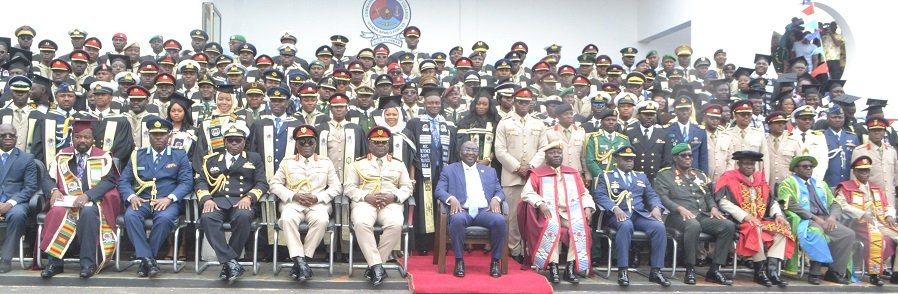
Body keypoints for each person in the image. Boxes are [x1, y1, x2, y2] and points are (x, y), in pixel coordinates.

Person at [39, 120, 120, 279]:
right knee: (56, 212)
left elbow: (109, 181)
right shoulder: (62, 155)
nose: (82, 140)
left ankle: (87, 264)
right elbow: (48, 179)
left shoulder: (103, 157)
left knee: (88, 213)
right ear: (73, 138)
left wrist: (88, 195)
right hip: (66, 201)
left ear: (92, 139)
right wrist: (53, 190)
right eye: (78, 137)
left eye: (86, 137)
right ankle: (54, 263)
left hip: (93, 201)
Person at [118, 118, 193, 277]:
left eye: (162, 134)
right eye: (155, 135)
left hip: (167, 202)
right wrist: (132, 197)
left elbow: (186, 182)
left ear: (169, 136)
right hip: (143, 200)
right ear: (149, 136)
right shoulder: (138, 155)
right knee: (131, 216)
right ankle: (148, 260)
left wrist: (170, 198)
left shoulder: (179, 155)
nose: (159, 137)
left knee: (165, 219)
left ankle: (146, 261)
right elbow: (124, 181)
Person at [195, 122, 268, 281]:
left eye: (238, 140)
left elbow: (262, 183)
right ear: (224, 142)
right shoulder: (211, 159)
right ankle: (231, 262)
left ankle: (228, 263)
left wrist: (249, 197)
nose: (234, 143)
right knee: (207, 218)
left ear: (244, 142)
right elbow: (201, 182)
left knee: (243, 216)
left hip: (242, 200)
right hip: (217, 201)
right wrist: (206, 199)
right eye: (230, 140)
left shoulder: (253, 158)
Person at [270, 125, 342, 282]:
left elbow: (337, 187)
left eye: (310, 142)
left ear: (316, 143)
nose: (307, 146)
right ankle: (301, 261)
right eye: (302, 143)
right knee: (286, 219)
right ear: (296, 145)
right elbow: (274, 184)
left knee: (322, 220)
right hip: (293, 204)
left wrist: (318, 197)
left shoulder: (325, 162)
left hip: (318, 204)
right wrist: (293, 195)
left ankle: (301, 260)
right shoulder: (287, 162)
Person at [654, 143, 734, 285]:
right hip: (677, 216)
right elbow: (663, 198)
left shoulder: (699, 174)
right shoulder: (665, 175)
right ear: (675, 158)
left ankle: (714, 270)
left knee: (727, 226)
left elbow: (708, 195)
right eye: (683, 155)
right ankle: (690, 268)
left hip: (701, 214)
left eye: (690, 155)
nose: (688, 158)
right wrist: (679, 208)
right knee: (693, 225)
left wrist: (713, 208)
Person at [344, 126, 414, 286]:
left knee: (395, 224)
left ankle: (375, 266)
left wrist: (394, 196)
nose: (380, 145)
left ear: (388, 145)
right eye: (376, 143)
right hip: (365, 202)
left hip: (390, 204)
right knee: (361, 224)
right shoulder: (358, 164)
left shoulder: (398, 164)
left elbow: (407, 187)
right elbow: (348, 187)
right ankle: (377, 266)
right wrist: (366, 196)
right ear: (369, 144)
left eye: (384, 143)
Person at [714, 151, 794, 287]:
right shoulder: (728, 177)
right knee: (754, 228)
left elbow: (771, 201)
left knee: (782, 229)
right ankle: (759, 271)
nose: (749, 167)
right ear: (738, 164)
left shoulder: (759, 179)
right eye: (745, 164)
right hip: (739, 221)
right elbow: (723, 202)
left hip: (760, 219)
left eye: (752, 164)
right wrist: (745, 216)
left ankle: (772, 270)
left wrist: (777, 215)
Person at [520, 140, 594, 284]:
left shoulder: (572, 173)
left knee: (580, 228)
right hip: (549, 213)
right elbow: (527, 193)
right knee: (552, 228)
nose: (556, 155)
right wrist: (540, 203)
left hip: (570, 212)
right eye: (552, 153)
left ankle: (570, 268)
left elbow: (584, 194)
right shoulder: (538, 174)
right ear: (546, 156)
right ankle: (553, 266)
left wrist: (588, 208)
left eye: (559, 153)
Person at [594, 146, 670, 287]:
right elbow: (600, 195)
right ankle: (623, 270)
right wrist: (615, 208)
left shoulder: (641, 176)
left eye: (632, 159)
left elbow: (652, 195)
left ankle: (656, 270)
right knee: (625, 225)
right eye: (625, 159)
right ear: (617, 160)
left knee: (659, 227)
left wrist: (656, 207)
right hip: (616, 215)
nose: (630, 162)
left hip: (639, 214)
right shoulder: (606, 176)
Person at [778, 155, 855, 285]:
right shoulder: (788, 183)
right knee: (816, 231)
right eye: (804, 167)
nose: (809, 169)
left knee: (848, 234)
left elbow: (835, 204)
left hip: (825, 219)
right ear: (796, 168)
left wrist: (832, 217)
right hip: (805, 220)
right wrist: (815, 219)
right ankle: (814, 272)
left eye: (810, 167)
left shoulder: (820, 184)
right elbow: (791, 205)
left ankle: (834, 273)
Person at [435, 141, 506, 278]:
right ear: (460, 153)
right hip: (462, 209)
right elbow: (439, 190)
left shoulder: (490, 171)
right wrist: (451, 198)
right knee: (457, 220)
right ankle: (459, 261)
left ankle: (495, 261)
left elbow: (500, 191)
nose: (470, 152)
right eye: (467, 149)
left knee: (499, 220)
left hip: (484, 211)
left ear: (477, 154)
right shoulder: (449, 169)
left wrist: (496, 199)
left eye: (474, 150)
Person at [494, 88, 547, 262]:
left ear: (532, 103)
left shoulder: (539, 123)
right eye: (520, 102)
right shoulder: (504, 122)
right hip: (511, 176)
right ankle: (513, 250)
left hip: (533, 176)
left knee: (532, 215)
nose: (524, 105)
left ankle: (530, 249)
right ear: (514, 102)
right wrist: (518, 167)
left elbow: (543, 149)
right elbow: (500, 151)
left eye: (527, 102)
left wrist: (530, 167)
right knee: (512, 215)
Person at [407, 86, 458, 254]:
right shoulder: (415, 122)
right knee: (424, 207)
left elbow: (454, 149)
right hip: (424, 173)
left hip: (443, 172)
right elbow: (411, 149)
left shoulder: (448, 124)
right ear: (424, 103)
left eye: (437, 102)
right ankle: (424, 244)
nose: (434, 106)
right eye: (430, 103)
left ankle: (441, 241)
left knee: (441, 206)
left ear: (441, 104)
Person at [834, 156, 898, 285]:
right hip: (859, 223)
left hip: (880, 222)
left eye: (867, 171)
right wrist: (862, 214)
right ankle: (875, 275)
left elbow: (887, 205)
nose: (864, 173)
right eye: (861, 171)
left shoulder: (875, 188)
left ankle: (896, 273)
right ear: (855, 172)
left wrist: (889, 215)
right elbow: (841, 205)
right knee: (877, 238)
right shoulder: (846, 187)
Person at [0, 124, 39, 273]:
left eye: (11, 135)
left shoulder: (27, 158)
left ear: (16, 138)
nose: (7, 138)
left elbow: (30, 187)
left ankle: (6, 258)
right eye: (3, 135)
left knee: (18, 215)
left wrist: (9, 204)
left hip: (16, 202)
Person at [851, 118, 898, 206]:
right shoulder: (859, 151)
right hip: (871, 201)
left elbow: (896, 176)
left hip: (890, 200)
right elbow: (854, 180)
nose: (877, 133)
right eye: (873, 130)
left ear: (884, 132)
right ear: (868, 132)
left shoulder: (891, 151)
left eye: (880, 130)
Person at [623, 100, 671, 182]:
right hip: (635, 178)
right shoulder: (629, 133)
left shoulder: (663, 134)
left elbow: (667, 160)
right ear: (638, 115)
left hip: (656, 179)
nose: (649, 117)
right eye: (645, 114)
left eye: (652, 114)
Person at [584, 109, 630, 182]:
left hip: (621, 179)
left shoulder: (624, 139)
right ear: (601, 122)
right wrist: (602, 176)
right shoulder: (594, 138)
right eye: (608, 120)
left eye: (614, 120)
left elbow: (628, 159)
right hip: (600, 179)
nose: (611, 122)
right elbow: (590, 161)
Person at [664, 96, 708, 171]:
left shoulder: (700, 131)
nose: (684, 112)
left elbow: (703, 157)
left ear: (691, 110)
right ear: (675, 111)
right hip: (674, 172)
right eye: (681, 110)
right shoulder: (667, 130)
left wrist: (704, 176)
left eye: (687, 109)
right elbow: (666, 156)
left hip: (694, 171)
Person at [821, 105, 858, 188]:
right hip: (828, 184)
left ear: (844, 118)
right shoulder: (821, 136)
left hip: (848, 184)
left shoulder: (853, 137)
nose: (837, 120)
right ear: (828, 118)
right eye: (834, 117)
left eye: (840, 117)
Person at [790, 105, 828, 178]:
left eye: (810, 119)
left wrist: (816, 178)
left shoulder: (819, 137)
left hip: (815, 178)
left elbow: (823, 160)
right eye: (804, 119)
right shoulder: (789, 137)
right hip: (794, 179)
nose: (807, 121)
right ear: (796, 120)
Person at [765, 111, 801, 186]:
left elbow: (799, 165)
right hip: (767, 183)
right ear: (769, 125)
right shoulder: (763, 141)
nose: (781, 125)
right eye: (777, 122)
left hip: (788, 184)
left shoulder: (793, 142)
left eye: (783, 123)